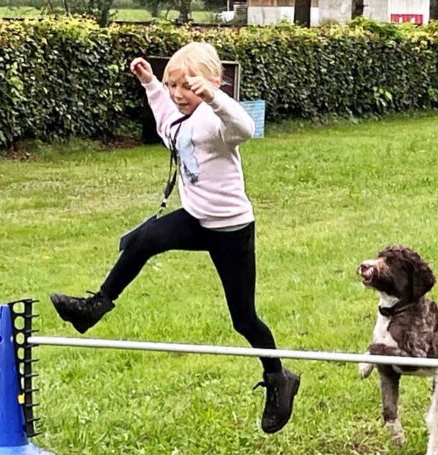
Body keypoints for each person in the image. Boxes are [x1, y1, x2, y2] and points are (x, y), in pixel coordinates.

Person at [50, 42, 299, 434]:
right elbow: (165, 116)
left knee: (244, 319)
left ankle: (279, 378)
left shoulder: (216, 123)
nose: (179, 94)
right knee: (144, 239)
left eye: (187, 86)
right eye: (173, 85)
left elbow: (245, 127)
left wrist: (213, 96)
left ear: (211, 83)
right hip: (196, 219)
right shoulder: (179, 119)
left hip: (231, 229)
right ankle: (94, 306)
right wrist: (151, 84)